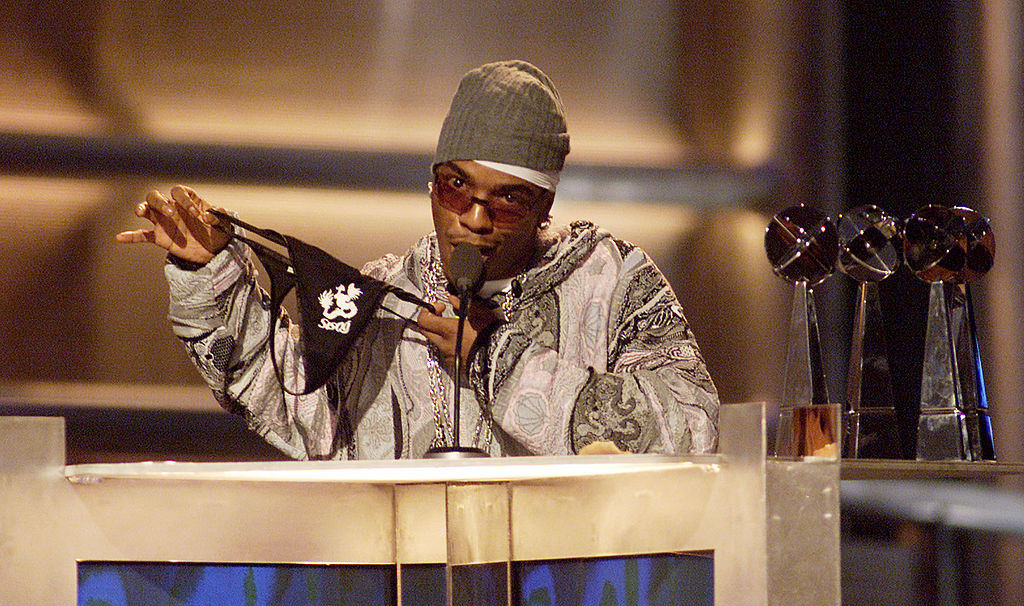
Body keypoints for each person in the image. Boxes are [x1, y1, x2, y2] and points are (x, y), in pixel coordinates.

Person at [117, 60, 719, 460]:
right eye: (456, 188)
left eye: (507, 200)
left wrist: (500, 359)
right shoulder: (385, 295)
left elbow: (694, 429)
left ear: (545, 205)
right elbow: (293, 403)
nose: (475, 219)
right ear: (433, 184)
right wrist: (210, 272)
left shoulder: (613, 282)